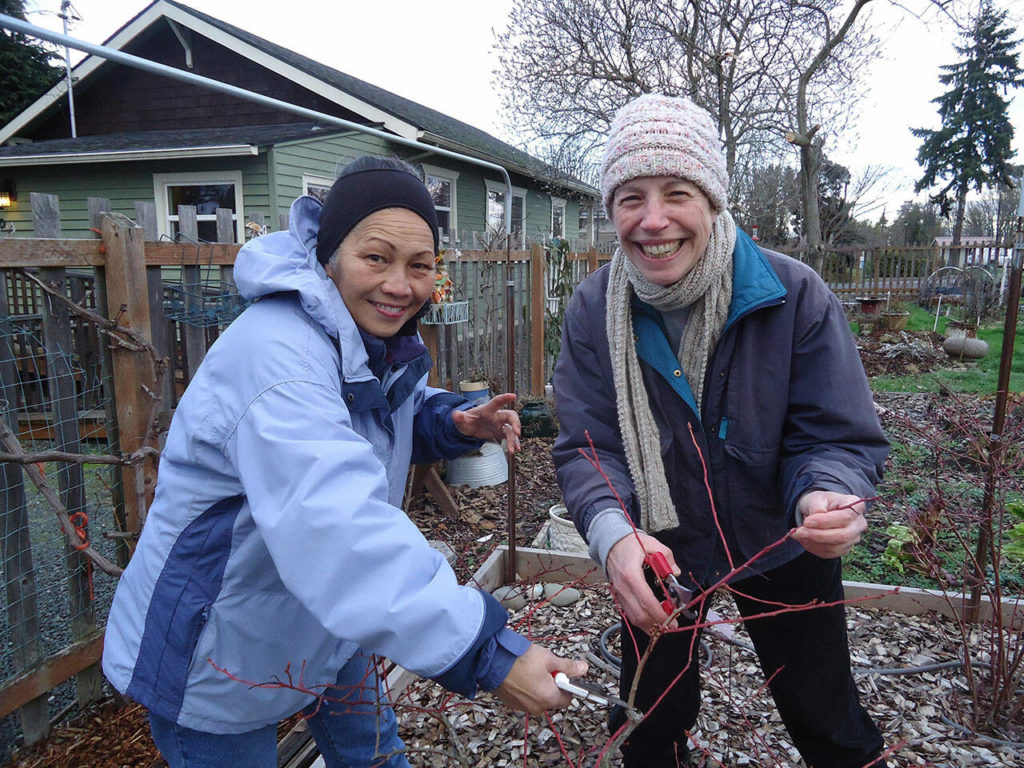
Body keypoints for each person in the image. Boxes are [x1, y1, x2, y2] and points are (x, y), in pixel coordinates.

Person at [102, 155, 586, 768]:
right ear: (329, 256)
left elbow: (377, 408)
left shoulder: (359, 338)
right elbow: (337, 529)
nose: (400, 284)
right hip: (219, 645)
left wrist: (451, 422)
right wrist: (489, 654)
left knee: (377, 757)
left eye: (420, 265)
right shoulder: (278, 358)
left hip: (324, 621)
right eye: (376, 258)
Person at [551, 94, 890, 768]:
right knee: (649, 716)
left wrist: (827, 492)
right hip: (659, 545)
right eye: (630, 197)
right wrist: (617, 537)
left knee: (824, 712)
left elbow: (836, 435)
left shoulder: (793, 297)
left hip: (780, 537)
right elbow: (591, 447)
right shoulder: (595, 309)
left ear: (712, 201)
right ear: (611, 210)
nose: (653, 220)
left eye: (677, 192)